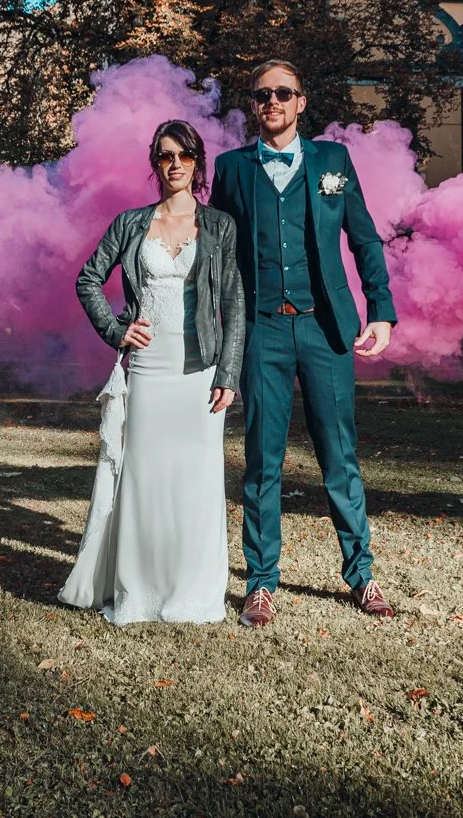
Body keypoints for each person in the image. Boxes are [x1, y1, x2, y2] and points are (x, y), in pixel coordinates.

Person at [210, 60, 398, 628]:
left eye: (282, 93)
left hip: (326, 329)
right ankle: (261, 583)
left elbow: (364, 238)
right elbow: (217, 253)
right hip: (261, 330)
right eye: (262, 94)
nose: (271, 102)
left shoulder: (333, 162)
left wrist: (381, 310)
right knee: (262, 461)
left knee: (338, 455)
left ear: (301, 102)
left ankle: (362, 575)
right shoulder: (231, 168)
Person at [60, 120, 244, 624]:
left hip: (200, 371)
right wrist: (115, 331)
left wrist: (228, 372)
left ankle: (192, 591)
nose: (175, 164)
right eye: (165, 156)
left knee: (196, 480)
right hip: (146, 367)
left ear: (198, 163)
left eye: (184, 155)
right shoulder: (130, 223)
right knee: (142, 478)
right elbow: (89, 278)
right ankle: (137, 589)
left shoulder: (220, 226)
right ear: (155, 163)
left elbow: (234, 302)